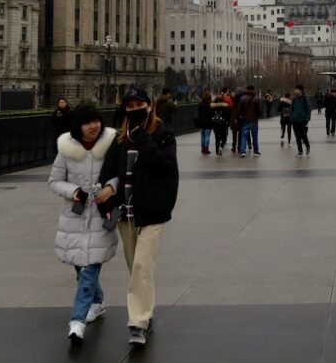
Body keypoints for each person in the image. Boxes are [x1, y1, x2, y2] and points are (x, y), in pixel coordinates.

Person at [100, 89, 179, 347]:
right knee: (136, 266)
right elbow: (109, 173)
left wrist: (144, 140)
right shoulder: (120, 139)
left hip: (153, 212)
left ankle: (137, 322)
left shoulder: (162, 133)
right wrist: (109, 203)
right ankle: (146, 307)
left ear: (149, 105)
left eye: (139, 104)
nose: (134, 109)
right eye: (129, 105)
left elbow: (166, 165)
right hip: (127, 213)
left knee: (143, 266)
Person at [48, 106, 118, 344]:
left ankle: (77, 321)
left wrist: (111, 188)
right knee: (80, 265)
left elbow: (120, 173)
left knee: (89, 268)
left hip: (101, 215)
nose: (93, 126)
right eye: (87, 122)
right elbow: (55, 181)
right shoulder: (67, 151)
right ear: (77, 127)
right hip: (75, 217)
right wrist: (74, 191)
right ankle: (97, 303)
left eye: (96, 121)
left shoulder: (110, 146)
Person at [237, 84, 263, 157]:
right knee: (255, 136)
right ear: (254, 90)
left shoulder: (242, 98)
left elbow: (239, 110)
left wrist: (241, 116)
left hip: (245, 120)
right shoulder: (257, 99)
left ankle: (243, 151)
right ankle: (256, 150)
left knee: (244, 136)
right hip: (254, 120)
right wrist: (257, 116)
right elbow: (260, 110)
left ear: (247, 90)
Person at [290, 84, 312, 157]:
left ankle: (307, 146)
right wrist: (292, 118)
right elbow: (292, 109)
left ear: (300, 90)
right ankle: (300, 151)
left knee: (303, 135)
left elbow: (308, 110)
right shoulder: (294, 99)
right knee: (297, 137)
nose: (294, 91)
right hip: (295, 120)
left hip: (303, 120)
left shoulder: (305, 99)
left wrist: (307, 119)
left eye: (296, 89)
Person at [196, 90, 213, 154]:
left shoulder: (200, 104)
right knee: (207, 136)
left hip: (201, 122)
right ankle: (206, 149)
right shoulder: (209, 105)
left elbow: (199, 113)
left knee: (202, 136)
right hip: (208, 122)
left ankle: (203, 148)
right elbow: (211, 113)